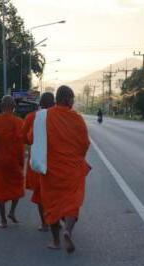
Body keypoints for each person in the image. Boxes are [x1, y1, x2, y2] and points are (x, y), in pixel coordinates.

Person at [29, 86, 91, 253]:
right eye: (72, 99)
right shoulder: (77, 118)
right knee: (72, 202)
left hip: (50, 169)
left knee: (52, 204)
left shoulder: (43, 117)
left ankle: (56, 242)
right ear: (69, 100)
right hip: (72, 169)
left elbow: (31, 138)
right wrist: (77, 157)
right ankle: (68, 231)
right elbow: (85, 143)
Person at [0, 95, 25, 228]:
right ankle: (12, 212)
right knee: (17, 186)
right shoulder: (20, 122)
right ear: (14, 107)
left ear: (1, 106)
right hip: (14, 160)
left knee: (0, 189)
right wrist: (22, 161)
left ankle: (3, 220)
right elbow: (22, 145)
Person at [22, 92, 55, 232]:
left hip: (38, 159)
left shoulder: (32, 117)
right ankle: (55, 220)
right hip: (55, 160)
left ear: (40, 103)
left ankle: (45, 223)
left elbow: (26, 138)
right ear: (54, 103)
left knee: (41, 192)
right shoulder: (58, 117)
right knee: (54, 193)